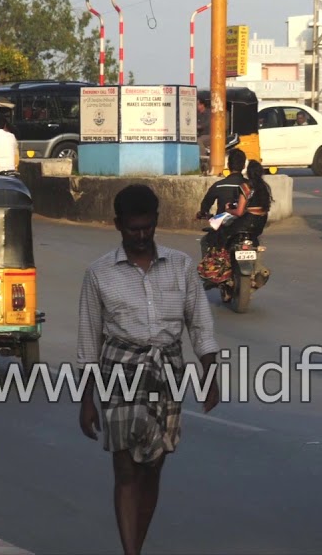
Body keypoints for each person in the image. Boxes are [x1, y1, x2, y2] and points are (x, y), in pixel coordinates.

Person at [77, 185, 220, 555]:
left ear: (156, 222)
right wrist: (87, 401)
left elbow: (200, 324)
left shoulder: (182, 266)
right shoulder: (99, 274)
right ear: (118, 226)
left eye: (146, 228)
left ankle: (135, 545)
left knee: (153, 467)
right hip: (119, 374)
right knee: (125, 471)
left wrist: (210, 372)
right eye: (132, 229)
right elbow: (89, 339)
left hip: (168, 372)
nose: (140, 237)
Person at [197, 150, 248, 252]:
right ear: (243, 166)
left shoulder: (219, 185)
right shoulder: (250, 186)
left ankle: (209, 267)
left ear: (228, 165)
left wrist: (202, 213)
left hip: (224, 229)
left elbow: (205, 205)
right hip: (246, 228)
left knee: (205, 242)